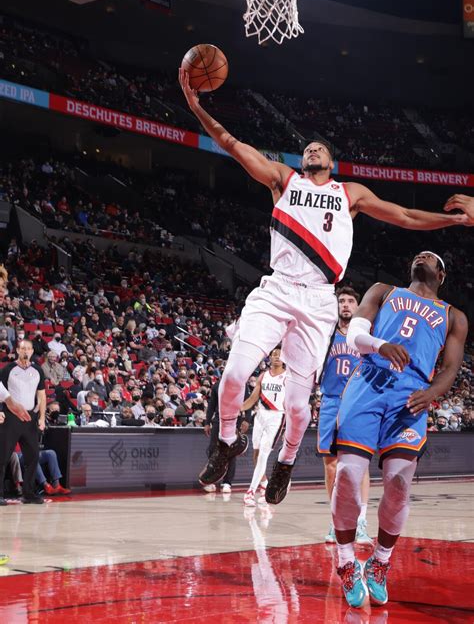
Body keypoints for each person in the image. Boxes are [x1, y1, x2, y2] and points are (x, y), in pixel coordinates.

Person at [179, 67, 469, 505]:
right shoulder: (283, 179)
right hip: (276, 288)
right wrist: (196, 105)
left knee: (298, 407)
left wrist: (453, 220)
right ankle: (225, 443)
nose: (311, 149)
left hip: (318, 299)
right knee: (235, 374)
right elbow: (231, 144)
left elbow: (406, 217)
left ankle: (287, 462)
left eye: (319, 148)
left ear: (330, 162)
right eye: (306, 147)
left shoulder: (349, 193)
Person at [331, 251, 467, 608]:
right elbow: (353, 335)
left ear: (442, 273)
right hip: (368, 382)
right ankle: (346, 560)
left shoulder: (454, 316)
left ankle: (380, 561)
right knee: (347, 474)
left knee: (399, 484)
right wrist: (381, 345)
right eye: (418, 254)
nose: (422, 254)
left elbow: (451, 367)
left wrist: (434, 393)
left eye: (432, 256)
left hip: (411, 397)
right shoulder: (383, 290)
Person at [317, 287, 372, 545]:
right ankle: (336, 521)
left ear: (358, 306)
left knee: (359, 465)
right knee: (331, 466)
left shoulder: (364, 337)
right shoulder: (325, 336)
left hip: (357, 403)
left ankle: (360, 522)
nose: (346, 305)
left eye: (351, 300)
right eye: (342, 301)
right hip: (330, 402)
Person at [0, 339, 46, 505]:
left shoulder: (38, 370)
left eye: (28, 348)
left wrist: (41, 417)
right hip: (11, 417)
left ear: (32, 351)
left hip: (30, 418)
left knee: (33, 456)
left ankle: (29, 493)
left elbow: (41, 396)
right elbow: (0, 391)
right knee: (3, 456)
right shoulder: (8, 370)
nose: (25, 351)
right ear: (17, 351)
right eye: (22, 348)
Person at [242, 348, 286, 507]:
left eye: (280, 355)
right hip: (260, 415)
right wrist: (239, 408)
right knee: (256, 454)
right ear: (270, 358)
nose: (277, 357)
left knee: (263, 455)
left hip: (277, 416)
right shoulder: (263, 375)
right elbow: (254, 398)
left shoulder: (288, 377)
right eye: (274, 355)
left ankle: (250, 492)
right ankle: (265, 483)